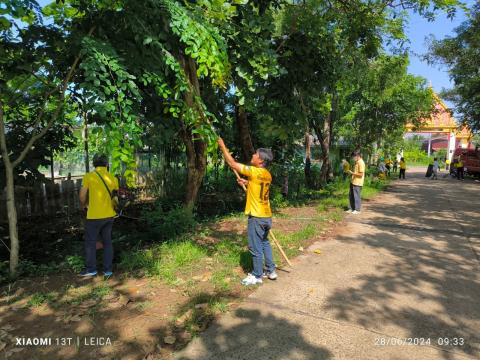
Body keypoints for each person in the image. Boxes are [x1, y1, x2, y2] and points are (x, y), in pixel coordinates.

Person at [217, 138, 276, 286]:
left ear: (260, 161)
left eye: (256, 154)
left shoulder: (254, 171)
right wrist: (247, 183)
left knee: (255, 246)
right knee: (264, 243)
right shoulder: (267, 174)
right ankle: (270, 270)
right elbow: (258, 185)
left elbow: (232, 164)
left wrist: (222, 146)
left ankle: (256, 275)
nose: (253, 155)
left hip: (256, 217)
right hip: (266, 216)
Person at [79, 154, 119, 278]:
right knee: (107, 242)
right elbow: (115, 199)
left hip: (93, 217)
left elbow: (82, 196)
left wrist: (84, 205)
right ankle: (108, 271)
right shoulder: (113, 178)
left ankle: (91, 270)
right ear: (107, 164)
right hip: (109, 216)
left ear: (93, 164)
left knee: (90, 243)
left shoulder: (89, 177)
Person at [346, 150, 365, 215]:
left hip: (358, 182)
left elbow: (361, 174)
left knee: (356, 196)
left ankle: (357, 209)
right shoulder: (357, 162)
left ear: (357, 156)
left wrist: (352, 173)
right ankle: (351, 208)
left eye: (353, 157)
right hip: (353, 181)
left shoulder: (361, 163)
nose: (352, 158)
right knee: (351, 195)